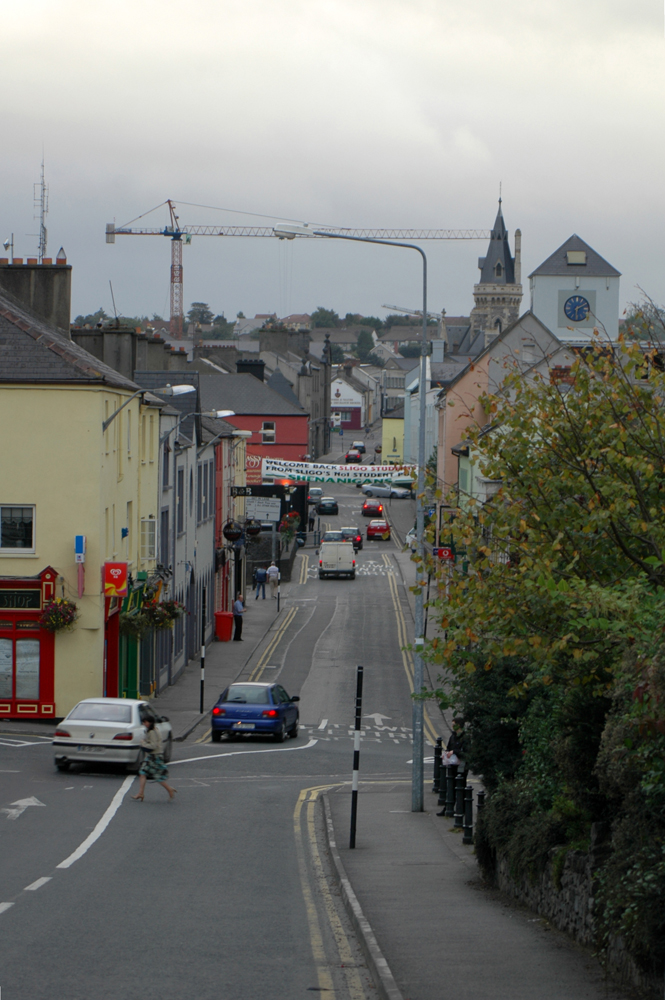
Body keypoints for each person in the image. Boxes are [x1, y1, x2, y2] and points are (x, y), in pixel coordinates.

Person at [131, 717, 176, 801]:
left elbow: (153, 745)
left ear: (150, 722)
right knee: (142, 773)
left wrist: (143, 743)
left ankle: (169, 789)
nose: (144, 723)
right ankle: (141, 793)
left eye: (145, 722)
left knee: (157, 776)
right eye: (143, 722)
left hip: (155, 756)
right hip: (152, 756)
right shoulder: (153, 730)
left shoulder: (152, 732)